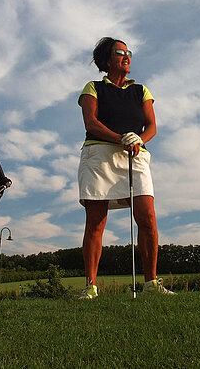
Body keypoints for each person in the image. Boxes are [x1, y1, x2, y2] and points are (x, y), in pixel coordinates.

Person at [77, 37, 174, 299]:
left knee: (148, 217)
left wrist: (138, 139)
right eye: (120, 52)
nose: (126, 56)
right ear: (107, 60)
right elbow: (91, 123)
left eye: (128, 52)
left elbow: (151, 126)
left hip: (135, 154)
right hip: (100, 155)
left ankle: (151, 282)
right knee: (96, 222)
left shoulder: (141, 90)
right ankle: (91, 286)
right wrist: (120, 137)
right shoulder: (93, 87)